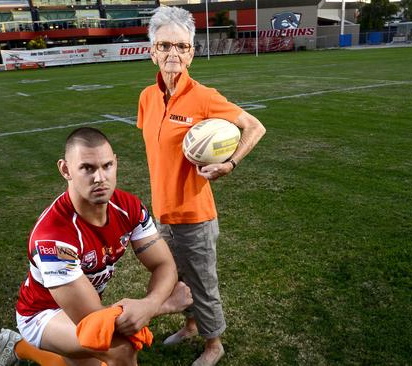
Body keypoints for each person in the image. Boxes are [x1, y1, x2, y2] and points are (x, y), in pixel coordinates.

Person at [0, 127, 193, 366]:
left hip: (87, 309)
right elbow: (95, 320)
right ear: (65, 169)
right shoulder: (53, 239)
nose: (100, 178)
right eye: (87, 168)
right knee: (120, 348)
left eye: (107, 166)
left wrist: (149, 304)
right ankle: (29, 341)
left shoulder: (128, 206)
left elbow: (164, 264)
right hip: (43, 314)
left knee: (88, 359)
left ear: (116, 163)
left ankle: (16, 346)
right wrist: (165, 305)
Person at [137, 6, 266, 366]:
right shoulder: (147, 98)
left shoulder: (205, 96)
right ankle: (191, 326)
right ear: (152, 53)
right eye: (164, 46)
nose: (173, 54)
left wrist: (230, 162)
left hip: (195, 214)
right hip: (160, 212)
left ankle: (214, 345)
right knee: (175, 279)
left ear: (192, 52)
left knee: (204, 285)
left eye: (181, 46)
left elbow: (255, 127)